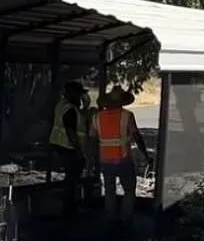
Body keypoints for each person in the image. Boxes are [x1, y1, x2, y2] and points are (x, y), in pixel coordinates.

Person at [94, 86, 146, 219]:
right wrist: (145, 154)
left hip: (105, 160)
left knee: (109, 191)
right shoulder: (127, 115)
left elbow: (92, 138)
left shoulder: (97, 117)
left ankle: (110, 219)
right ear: (122, 101)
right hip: (124, 160)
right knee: (129, 190)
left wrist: (92, 159)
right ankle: (126, 219)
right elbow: (136, 136)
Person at [49, 81, 89, 217]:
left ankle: (69, 206)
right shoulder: (70, 110)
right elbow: (71, 131)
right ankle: (69, 207)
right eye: (79, 95)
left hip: (60, 145)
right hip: (68, 147)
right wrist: (79, 151)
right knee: (72, 179)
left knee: (70, 178)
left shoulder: (62, 106)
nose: (81, 98)